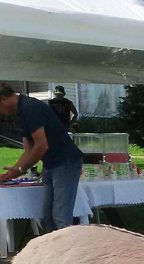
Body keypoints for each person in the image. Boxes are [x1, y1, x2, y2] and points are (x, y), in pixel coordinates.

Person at [0, 84, 83, 230]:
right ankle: (52, 251)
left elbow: (41, 145)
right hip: (51, 164)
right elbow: (29, 150)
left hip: (66, 162)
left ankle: (69, 251)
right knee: (47, 216)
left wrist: (20, 169)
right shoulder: (20, 113)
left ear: (4, 99)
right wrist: (11, 172)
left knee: (61, 216)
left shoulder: (30, 108)